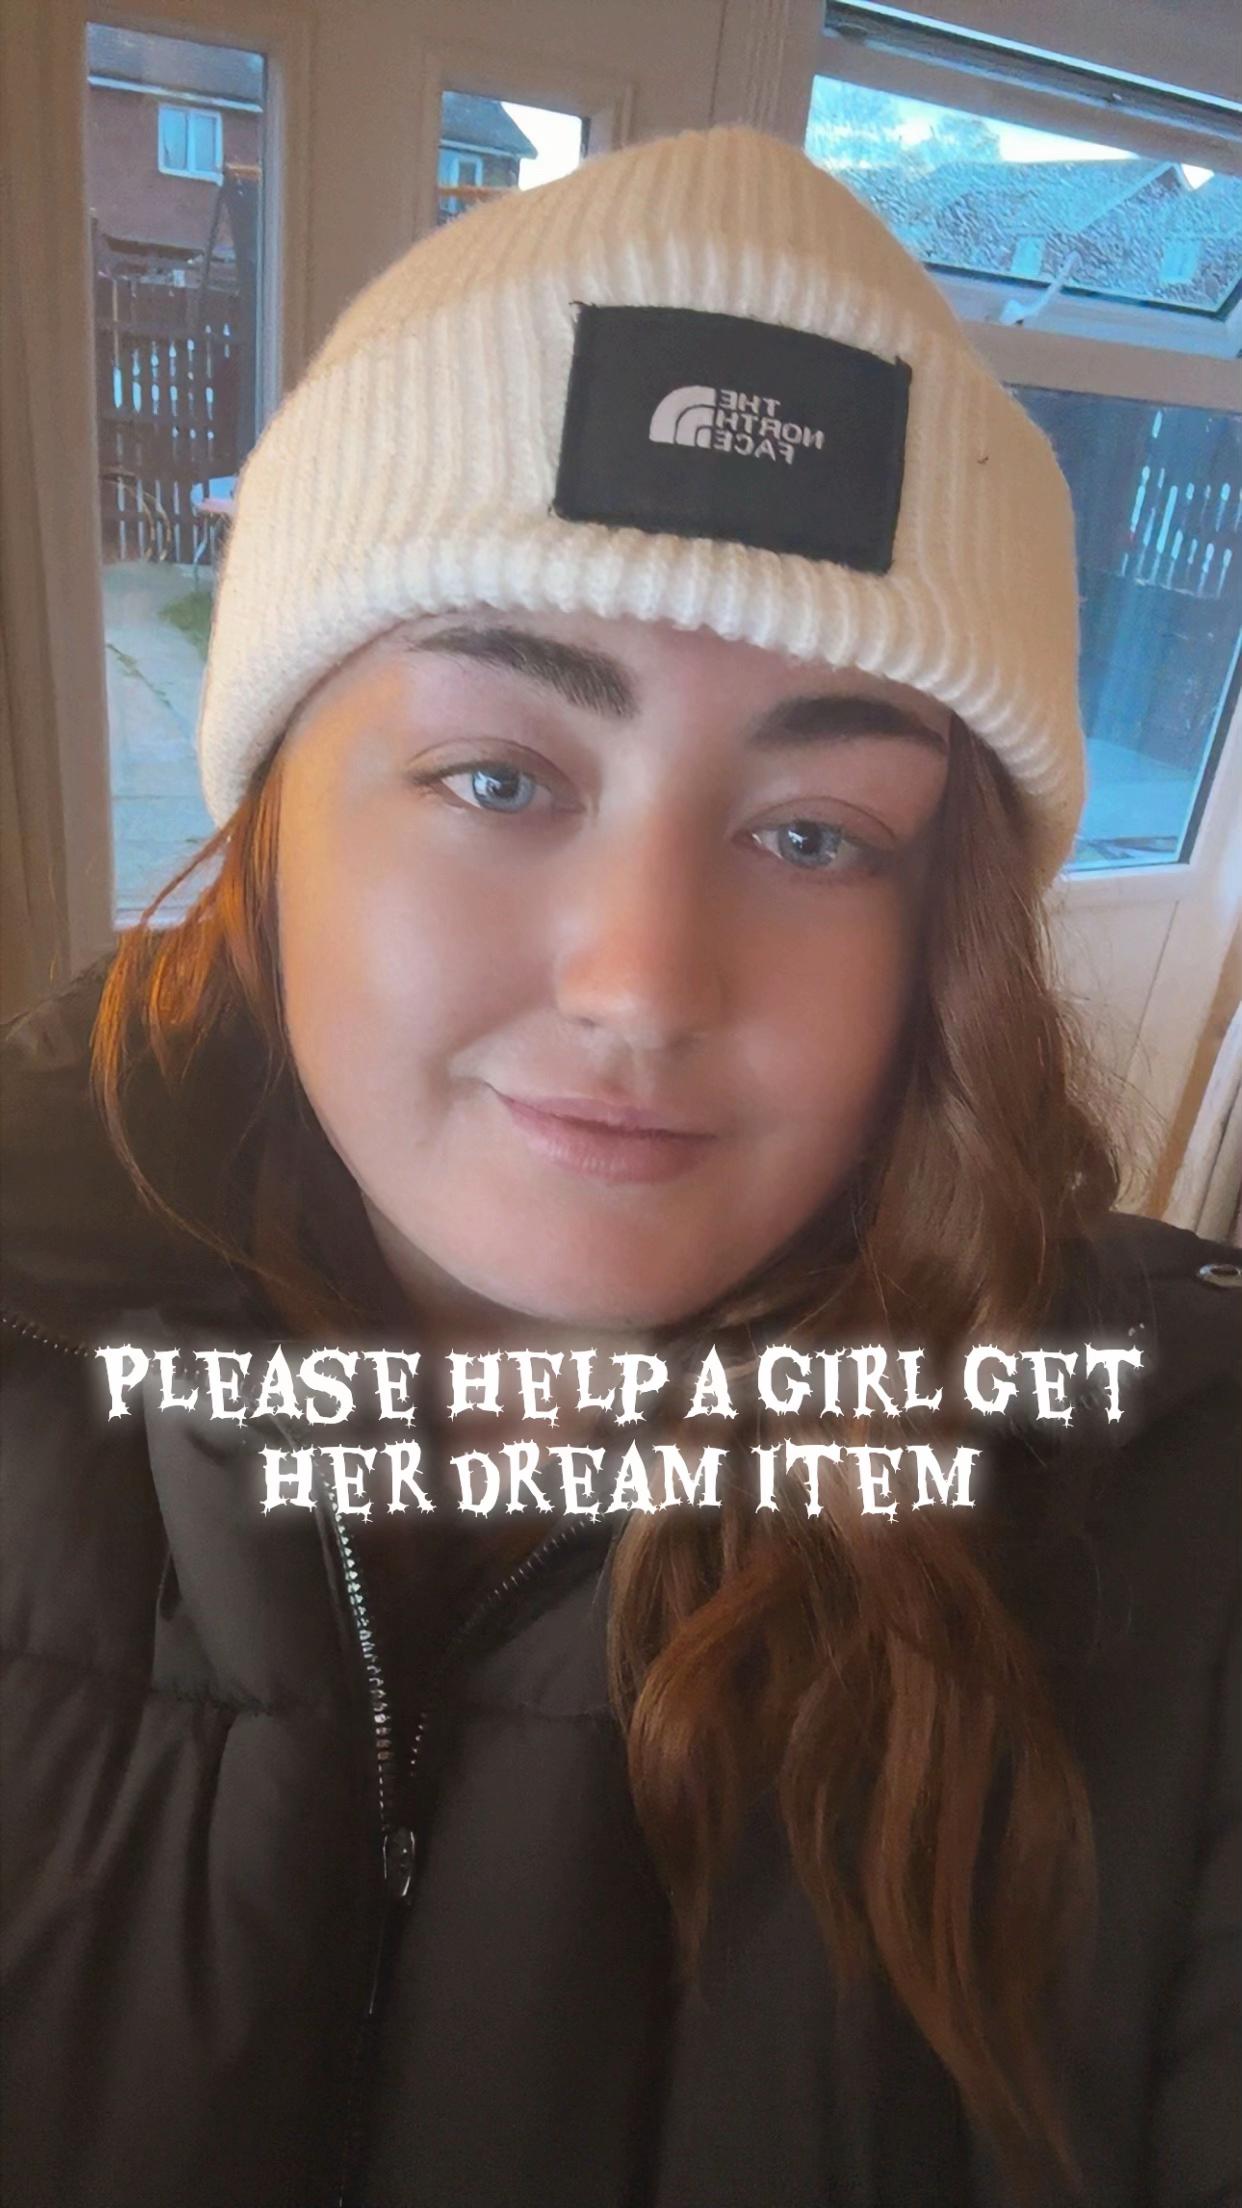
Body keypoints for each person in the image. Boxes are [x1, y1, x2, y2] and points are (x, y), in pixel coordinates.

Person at [2, 124, 1238, 2208]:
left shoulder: (1179, 1523)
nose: (647, 981)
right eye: (500, 776)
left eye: (815, 835)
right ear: (277, 821)